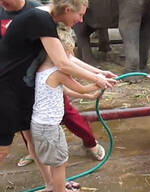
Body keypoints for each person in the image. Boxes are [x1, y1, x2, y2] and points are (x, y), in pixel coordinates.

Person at [0, 0, 116, 190]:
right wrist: (96, 80)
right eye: (80, 15)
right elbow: (62, 64)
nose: (80, 21)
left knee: (31, 139)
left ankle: (52, 184)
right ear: (68, 9)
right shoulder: (41, 18)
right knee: (3, 148)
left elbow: (67, 58)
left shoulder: (47, 18)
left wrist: (100, 73)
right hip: (5, 88)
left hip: (24, 87)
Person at [31, 23, 101, 192]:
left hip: (40, 126)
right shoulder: (58, 73)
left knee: (56, 162)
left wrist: (88, 97)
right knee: (60, 163)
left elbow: (66, 90)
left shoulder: (43, 70)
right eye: (67, 53)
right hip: (49, 128)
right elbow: (80, 87)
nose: (69, 57)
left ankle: (56, 187)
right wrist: (100, 82)